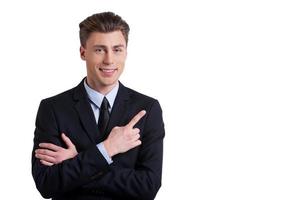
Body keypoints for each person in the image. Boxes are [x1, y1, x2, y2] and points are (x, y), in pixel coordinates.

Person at [31, 12, 165, 200]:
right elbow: (46, 183)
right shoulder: (53, 108)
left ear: (126, 52)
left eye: (117, 49)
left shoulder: (147, 109)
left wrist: (78, 161)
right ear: (83, 52)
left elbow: (148, 187)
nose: (109, 60)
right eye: (99, 50)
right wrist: (108, 148)